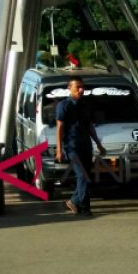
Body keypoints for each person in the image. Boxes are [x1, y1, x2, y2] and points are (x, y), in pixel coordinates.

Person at [54, 76, 107, 215]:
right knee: (82, 175)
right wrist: (59, 150)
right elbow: (59, 128)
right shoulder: (63, 106)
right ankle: (85, 207)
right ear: (69, 88)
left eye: (82, 87)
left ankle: (73, 201)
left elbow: (90, 126)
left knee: (86, 176)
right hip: (72, 146)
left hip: (86, 145)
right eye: (78, 87)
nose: (81, 90)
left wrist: (98, 144)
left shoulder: (86, 105)